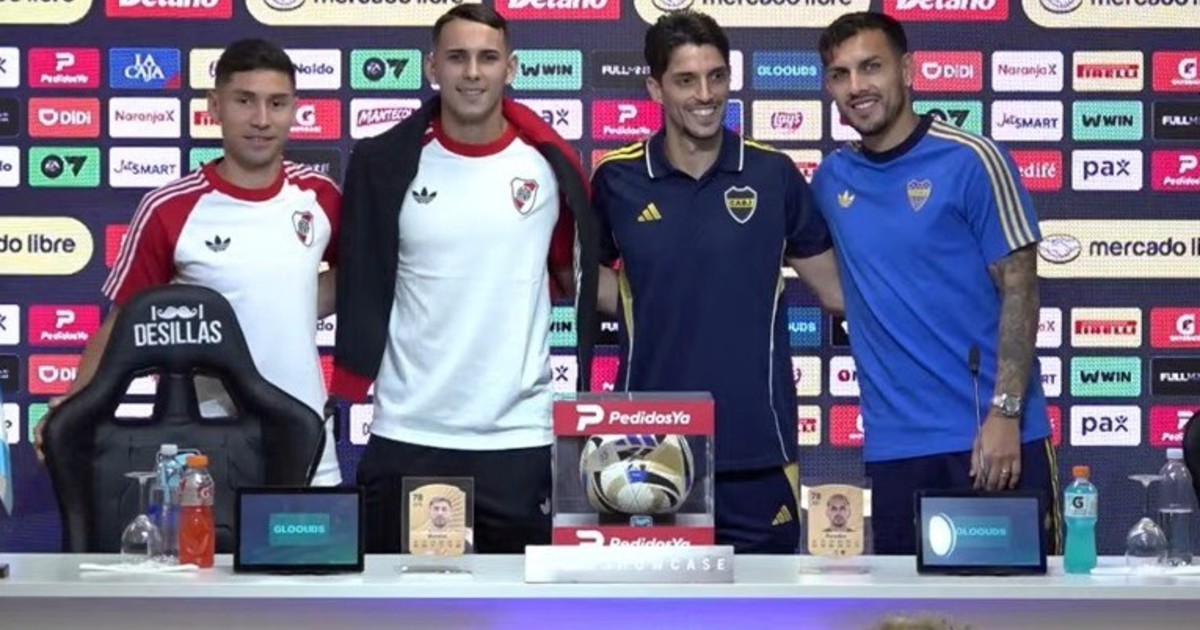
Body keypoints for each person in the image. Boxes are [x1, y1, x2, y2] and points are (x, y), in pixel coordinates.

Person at [331, 4, 600, 554]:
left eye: (487, 58)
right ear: (432, 68)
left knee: (519, 600)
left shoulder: (549, 166)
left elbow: (572, 276)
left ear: (511, 68)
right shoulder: (384, 164)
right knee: (396, 599)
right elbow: (353, 276)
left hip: (518, 437)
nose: (472, 73)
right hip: (409, 432)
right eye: (457, 58)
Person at [33, 39, 343, 487]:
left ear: (294, 109)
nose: (261, 119)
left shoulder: (321, 196)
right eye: (244, 101)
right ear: (214, 107)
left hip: (306, 440)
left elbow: (359, 280)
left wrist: (291, 302)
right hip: (204, 447)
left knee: (310, 537)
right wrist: (72, 408)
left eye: (276, 103)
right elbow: (123, 322)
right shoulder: (169, 207)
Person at [592, 10, 843, 554]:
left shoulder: (774, 174)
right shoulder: (616, 178)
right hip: (648, 447)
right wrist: (648, 301)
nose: (705, 95)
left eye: (716, 76)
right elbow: (587, 281)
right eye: (686, 80)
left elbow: (837, 291)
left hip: (758, 448)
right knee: (648, 602)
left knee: (766, 599)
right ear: (655, 88)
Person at [811, 11, 1058, 555]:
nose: (857, 87)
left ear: (907, 70)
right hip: (896, 450)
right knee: (907, 601)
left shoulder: (973, 159)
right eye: (840, 74)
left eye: (871, 67)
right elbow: (831, 288)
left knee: (1017, 600)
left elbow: (1021, 287)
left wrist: (1005, 414)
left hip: (991, 440)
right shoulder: (830, 180)